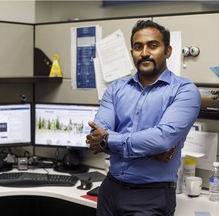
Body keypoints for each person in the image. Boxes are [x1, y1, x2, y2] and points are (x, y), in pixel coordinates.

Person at [86, 20, 201, 216]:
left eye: (153, 46)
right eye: (138, 47)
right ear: (132, 52)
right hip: (109, 190)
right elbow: (97, 135)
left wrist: (109, 140)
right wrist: (150, 150)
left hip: (151, 197)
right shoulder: (115, 89)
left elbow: (162, 138)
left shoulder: (184, 91)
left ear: (168, 51)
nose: (145, 52)